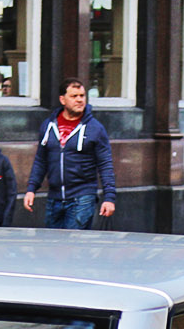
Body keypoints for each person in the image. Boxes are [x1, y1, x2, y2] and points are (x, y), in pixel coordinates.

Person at [23, 79, 116, 229]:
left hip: (82, 197)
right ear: (62, 100)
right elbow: (41, 160)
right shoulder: (48, 125)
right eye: (74, 96)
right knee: (52, 246)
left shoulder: (95, 129)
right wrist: (31, 189)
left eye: (82, 95)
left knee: (74, 247)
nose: (79, 100)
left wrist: (109, 197)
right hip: (54, 198)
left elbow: (105, 164)